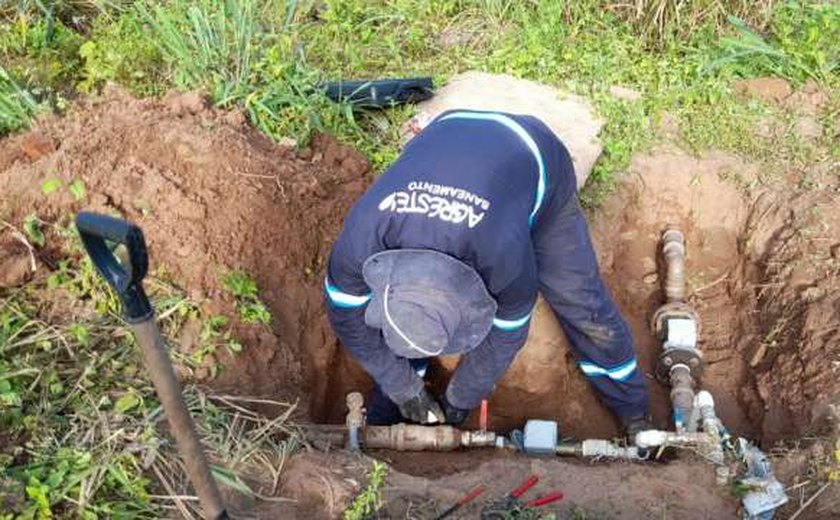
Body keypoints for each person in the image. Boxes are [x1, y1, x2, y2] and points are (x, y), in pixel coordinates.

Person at [324, 109, 651, 438]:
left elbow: (506, 334)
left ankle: (633, 410)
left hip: (532, 153)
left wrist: (462, 396)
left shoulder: (504, 262)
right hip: (448, 130)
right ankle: (389, 406)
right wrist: (402, 388)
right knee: (416, 323)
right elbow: (348, 320)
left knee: (581, 303)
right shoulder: (359, 246)